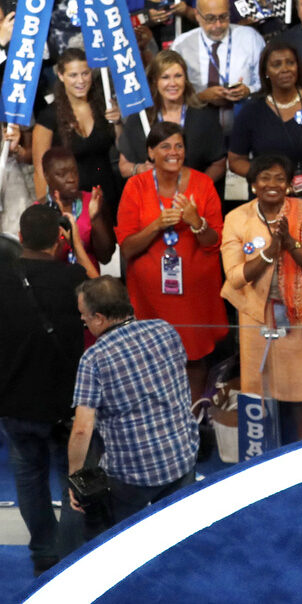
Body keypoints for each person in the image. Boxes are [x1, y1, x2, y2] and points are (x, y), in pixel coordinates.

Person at [67, 277, 198, 536]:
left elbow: (82, 429)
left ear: (100, 318)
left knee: (121, 539)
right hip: (182, 456)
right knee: (179, 536)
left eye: (84, 317)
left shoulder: (94, 359)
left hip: (132, 474)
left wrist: (75, 478)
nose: (83, 321)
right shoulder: (164, 329)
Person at [0, 206, 92, 573]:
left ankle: (43, 554)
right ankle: (74, 554)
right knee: (76, 477)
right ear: (59, 239)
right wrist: (79, 244)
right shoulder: (73, 277)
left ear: (19, 238)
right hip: (66, 403)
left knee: (28, 477)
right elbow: (102, 290)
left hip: (15, 402)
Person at [220, 154, 302, 442]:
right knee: (259, 390)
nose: (272, 184)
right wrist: (270, 251)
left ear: (289, 184)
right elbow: (234, 277)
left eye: (280, 178)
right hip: (256, 315)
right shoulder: (236, 218)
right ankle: (260, 449)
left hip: (299, 312)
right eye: (265, 178)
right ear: (253, 185)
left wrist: (290, 242)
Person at [115, 122, 226, 400]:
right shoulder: (135, 186)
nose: (173, 152)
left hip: (194, 296)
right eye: (165, 146)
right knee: (152, 364)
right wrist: (155, 226)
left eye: (179, 145)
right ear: (150, 152)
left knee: (195, 360)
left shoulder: (203, 184)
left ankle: (194, 418)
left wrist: (196, 222)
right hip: (151, 299)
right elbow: (127, 248)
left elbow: (214, 242)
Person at [227, 40, 302, 215]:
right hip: (268, 198)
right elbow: (235, 161)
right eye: (276, 64)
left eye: (290, 63)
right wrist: (268, 178)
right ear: (266, 72)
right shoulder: (252, 111)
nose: (285, 69)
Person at [115, 51, 228, 188]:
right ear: (155, 81)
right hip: (152, 200)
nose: (172, 83)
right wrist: (140, 169)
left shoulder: (204, 116)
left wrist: (197, 186)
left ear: (185, 79)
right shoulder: (140, 118)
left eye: (178, 76)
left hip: (192, 200)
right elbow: (123, 167)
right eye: (165, 77)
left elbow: (219, 164)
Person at [170, 0, 265, 129]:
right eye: (210, 19)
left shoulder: (250, 37)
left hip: (244, 122)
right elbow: (171, 92)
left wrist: (248, 90)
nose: (218, 25)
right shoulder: (182, 45)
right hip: (196, 125)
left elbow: (266, 83)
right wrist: (201, 97)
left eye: (223, 17)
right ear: (197, 15)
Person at [32, 49, 119, 204]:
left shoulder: (104, 107)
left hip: (108, 197)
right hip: (71, 204)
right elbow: (40, 171)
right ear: (60, 76)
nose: (81, 81)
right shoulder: (49, 116)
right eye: (73, 75)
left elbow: (122, 148)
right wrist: (48, 210)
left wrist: (118, 122)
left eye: (85, 73)